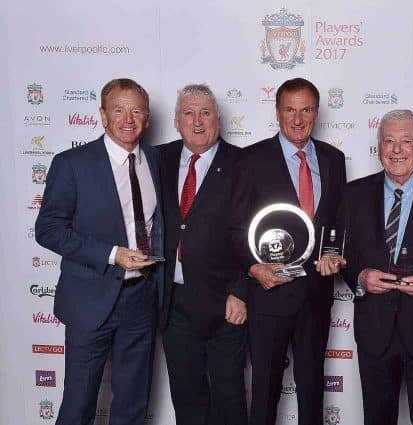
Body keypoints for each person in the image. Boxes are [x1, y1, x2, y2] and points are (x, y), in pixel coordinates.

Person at [35, 78, 163, 425]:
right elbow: (47, 230)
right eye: (119, 109)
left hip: (141, 299)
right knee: (78, 404)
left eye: (136, 110)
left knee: (133, 405)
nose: (128, 118)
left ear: (147, 119)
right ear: (103, 116)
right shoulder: (72, 163)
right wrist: (112, 254)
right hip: (90, 299)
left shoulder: (156, 159)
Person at [328, 109, 413, 425]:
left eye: (406, 141)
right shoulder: (353, 194)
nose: (397, 150)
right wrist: (359, 276)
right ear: (378, 147)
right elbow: (340, 254)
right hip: (375, 333)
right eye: (389, 141)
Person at [231, 77, 346, 425]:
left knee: (312, 390)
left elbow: (337, 219)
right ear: (277, 111)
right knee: (264, 390)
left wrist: (334, 254)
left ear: (316, 112)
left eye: (306, 109)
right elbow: (234, 227)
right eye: (290, 110)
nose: (298, 119)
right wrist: (254, 268)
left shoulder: (333, 158)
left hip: (316, 295)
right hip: (269, 295)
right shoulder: (251, 159)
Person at [158, 84, 247, 425]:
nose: (197, 122)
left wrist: (240, 291)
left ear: (218, 120)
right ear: (176, 121)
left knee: (230, 399)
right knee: (187, 398)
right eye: (188, 114)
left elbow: (252, 234)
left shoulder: (242, 163)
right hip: (174, 302)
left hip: (226, 302)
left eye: (205, 113)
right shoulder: (159, 159)